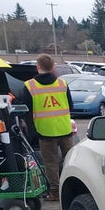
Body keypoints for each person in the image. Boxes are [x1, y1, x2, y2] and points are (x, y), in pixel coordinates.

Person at [18, 54, 74, 201]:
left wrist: (31, 131)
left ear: (37, 67)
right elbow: (71, 105)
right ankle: (73, 188)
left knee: (51, 163)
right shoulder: (62, 84)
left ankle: (55, 192)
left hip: (45, 131)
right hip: (65, 129)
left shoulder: (29, 86)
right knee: (70, 160)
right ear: (53, 67)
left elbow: (26, 111)